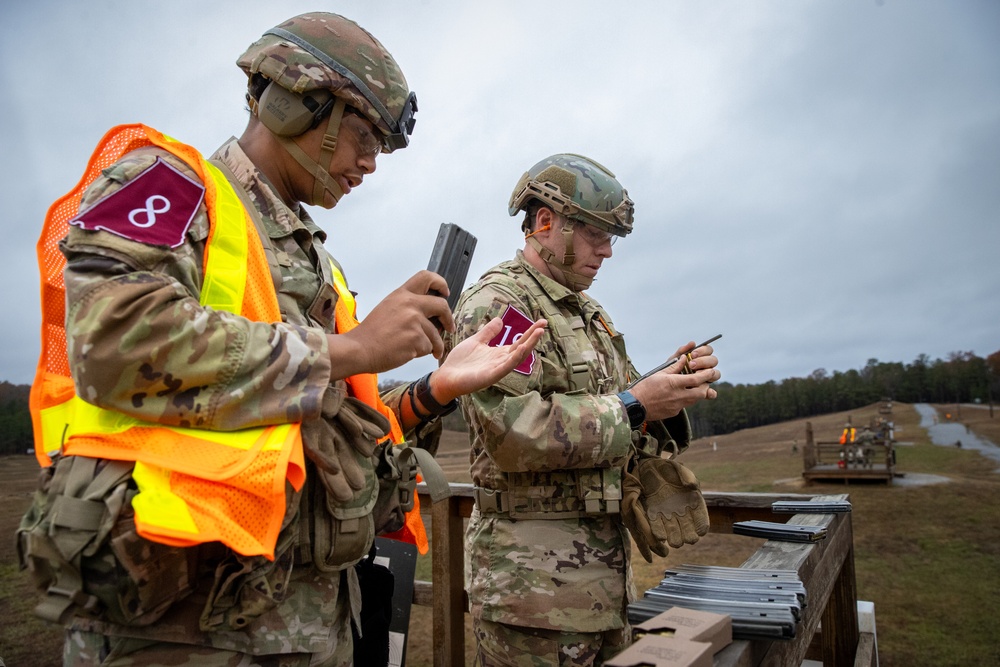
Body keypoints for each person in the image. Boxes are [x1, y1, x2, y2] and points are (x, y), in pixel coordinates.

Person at [21, 12, 544, 666]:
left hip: (300, 622)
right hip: (181, 631)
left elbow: (326, 423)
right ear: (294, 103)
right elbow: (114, 342)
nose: (370, 164)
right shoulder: (165, 183)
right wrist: (354, 348)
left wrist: (435, 390)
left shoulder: (314, 264)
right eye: (362, 134)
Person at [442, 153, 721, 664]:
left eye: (610, 238)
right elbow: (512, 432)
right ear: (546, 223)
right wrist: (637, 405)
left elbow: (621, 403)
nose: (607, 252)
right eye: (596, 235)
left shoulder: (589, 314)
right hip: (531, 595)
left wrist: (668, 389)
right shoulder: (501, 308)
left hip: (603, 588)